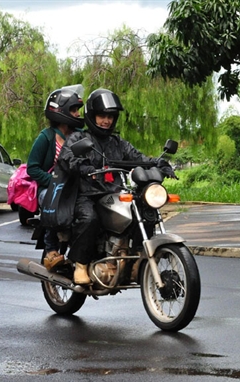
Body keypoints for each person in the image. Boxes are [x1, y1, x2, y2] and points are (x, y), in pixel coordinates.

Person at [57, 88, 176, 284]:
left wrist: (159, 163)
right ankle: (80, 265)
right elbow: (67, 157)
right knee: (90, 218)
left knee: (143, 211)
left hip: (113, 193)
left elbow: (139, 158)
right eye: (102, 115)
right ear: (91, 116)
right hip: (87, 194)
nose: (107, 120)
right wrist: (83, 166)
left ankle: (137, 260)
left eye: (111, 116)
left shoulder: (118, 142)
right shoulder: (79, 139)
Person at [26, 84, 84, 270]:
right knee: (55, 202)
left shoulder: (79, 136)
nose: (77, 114)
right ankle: (51, 250)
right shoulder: (47, 137)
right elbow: (32, 168)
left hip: (76, 189)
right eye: (73, 110)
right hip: (50, 190)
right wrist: (53, 183)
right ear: (61, 111)